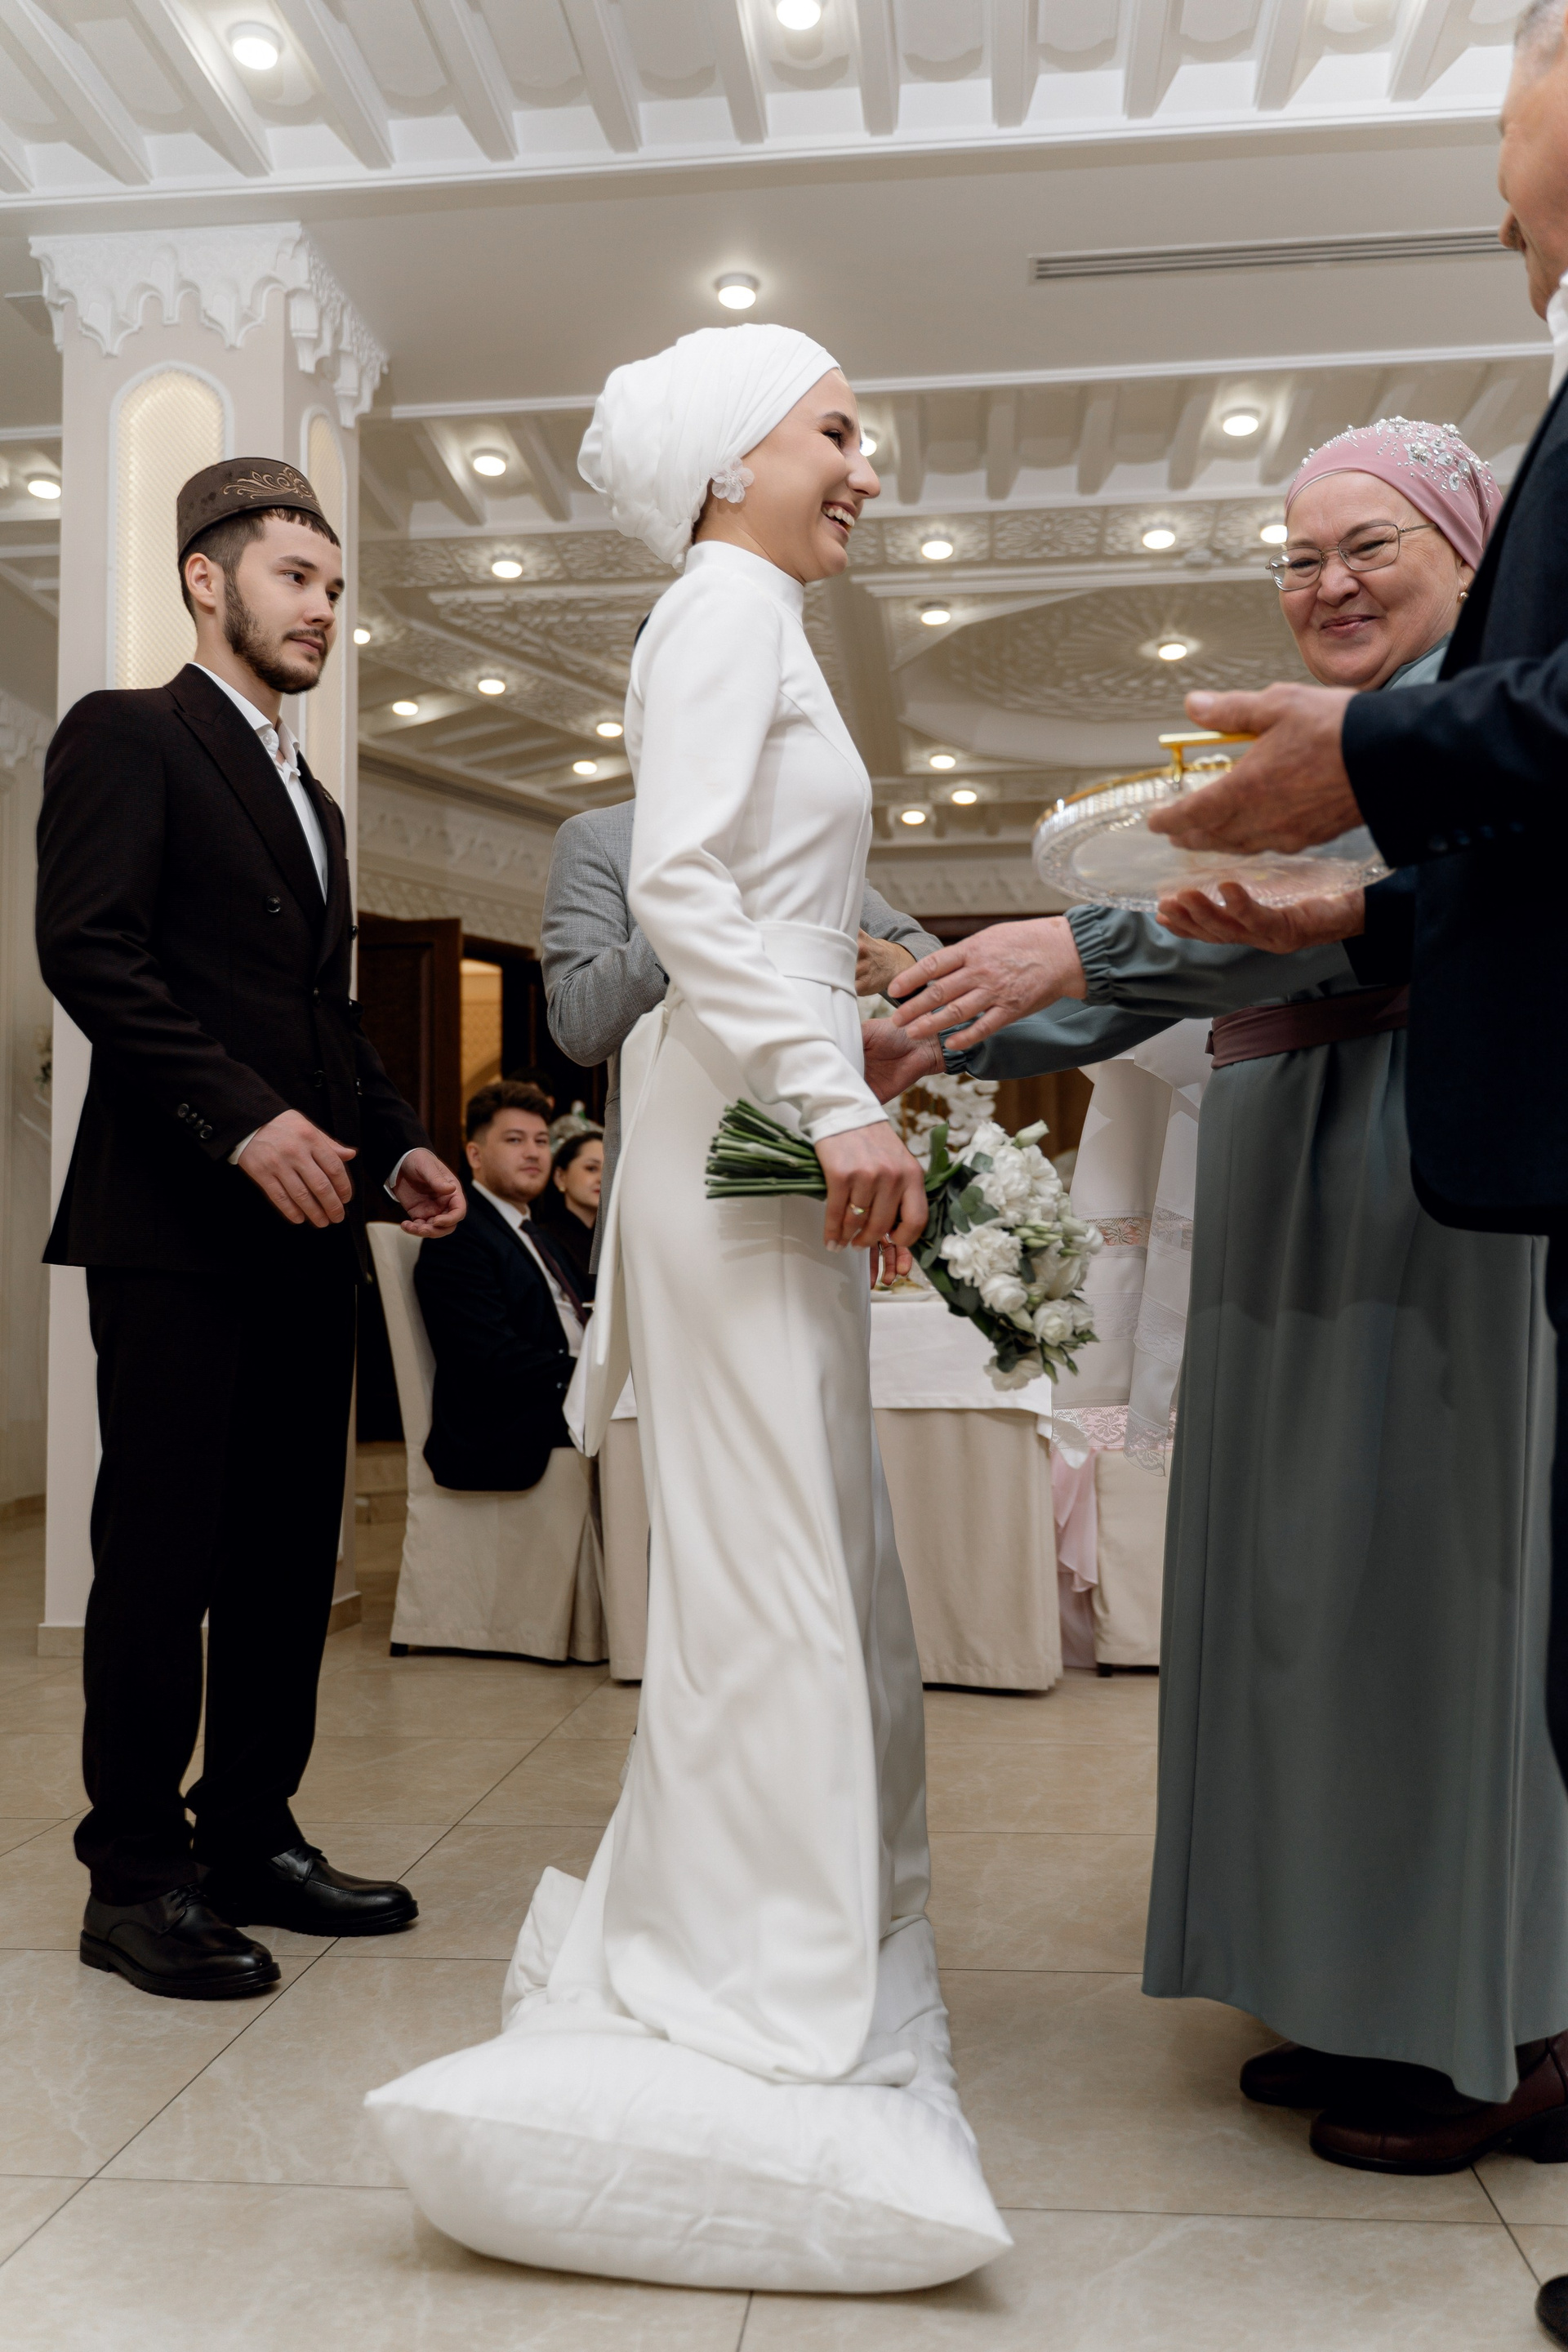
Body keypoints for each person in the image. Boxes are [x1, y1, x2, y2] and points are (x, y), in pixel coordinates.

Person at [371, 324, 1007, 2293]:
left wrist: (847, 1056)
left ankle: (808, 1921)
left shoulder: (758, 613)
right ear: (737, 459)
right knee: (770, 1560)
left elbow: (776, 914)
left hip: (759, 1118)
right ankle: (757, 1960)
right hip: (744, 1133)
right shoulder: (722, 607)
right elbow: (680, 892)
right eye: (836, 430)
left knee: (809, 1543)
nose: (866, 466)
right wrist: (830, 1093)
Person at [869, 417, 1568, 2176]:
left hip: (1422, 1182)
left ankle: (1503, 2019)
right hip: (1294, 1178)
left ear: (1474, 560)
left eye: (1371, 547)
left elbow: (1345, 912)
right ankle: (1356, 1981)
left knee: (1430, 1600)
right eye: (1300, 556)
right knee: (1300, 1596)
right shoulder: (1320, 744)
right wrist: (943, 1018)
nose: (1328, 584)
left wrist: (1080, 946)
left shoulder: (1479, 732)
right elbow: (1197, 945)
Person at [36, 458, 465, 2001]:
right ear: (206, 580)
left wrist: (398, 1145)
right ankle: (134, 1877)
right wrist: (238, 1120)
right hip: (172, 1219)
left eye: (336, 588)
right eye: (297, 577)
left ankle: (249, 1837)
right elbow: (90, 951)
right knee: (160, 1554)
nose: (324, 609)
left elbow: (321, 1018)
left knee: (289, 1552)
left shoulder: (318, 799)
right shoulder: (127, 733)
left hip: (311, 1223)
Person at [541, 795, 942, 1266]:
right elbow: (578, 1026)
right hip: (670, 1172)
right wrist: (689, 916)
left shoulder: (802, 839)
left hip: (815, 1164)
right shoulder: (602, 836)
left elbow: (930, 963)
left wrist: (894, 962)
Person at [416, 1082, 586, 1493]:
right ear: (474, 1155)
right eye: (515, 1140)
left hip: (571, 1404)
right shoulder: (459, 1234)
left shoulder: (539, 1237)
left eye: (541, 1141)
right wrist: (591, 1377)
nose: (533, 1152)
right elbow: (491, 1357)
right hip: (511, 1429)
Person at [530, 1129, 602, 1298]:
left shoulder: (616, 1241)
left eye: (611, 1171)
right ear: (560, 1177)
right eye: (592, 1168)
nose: (603, 1178)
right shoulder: (543, 1240)